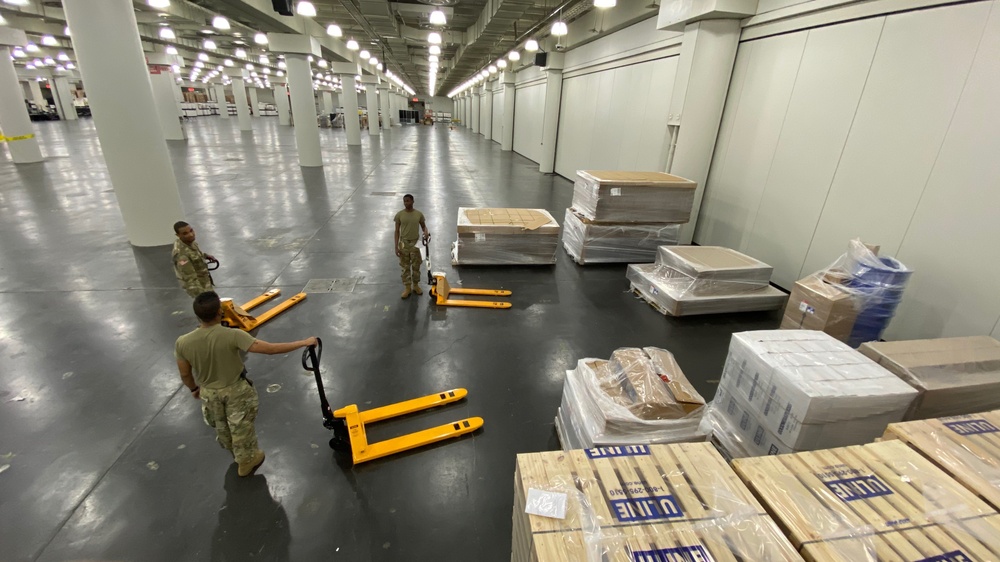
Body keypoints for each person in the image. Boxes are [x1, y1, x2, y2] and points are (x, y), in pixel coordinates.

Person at [175, 291, 318, 477]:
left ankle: (235, 453)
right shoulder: (232, 335)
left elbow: (185, 373)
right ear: (220, 312)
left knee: (221, 426)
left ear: (197, 315)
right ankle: (247, 461)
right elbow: (269, 349)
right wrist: (303, 342)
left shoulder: (183, 342)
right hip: (235, 389)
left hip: (209, 392)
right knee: (241, 426)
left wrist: (194, 388)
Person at [393, 194, 430, 299]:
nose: (406, 203)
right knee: (405, 267)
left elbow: (424, 227)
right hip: (403, 244)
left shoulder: (418, 214)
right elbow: (396, 231)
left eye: (408, 201)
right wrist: (396, 246)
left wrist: (426, 232)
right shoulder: (399, 215)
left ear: (413, 201)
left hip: (415, 244)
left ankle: (416, 286)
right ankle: (407, 288)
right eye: (404, 201)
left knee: (416, 266)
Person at [172, 221, 215, 298]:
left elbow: (194, 254)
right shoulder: (181, 255)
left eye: (191, 230)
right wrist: (202, 296)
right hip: (198, 287)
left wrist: (205, 256)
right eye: (185, 233)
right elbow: (190, 279)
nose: (191, 235)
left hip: (204, 280)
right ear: (178, 235)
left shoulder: (190, 242)